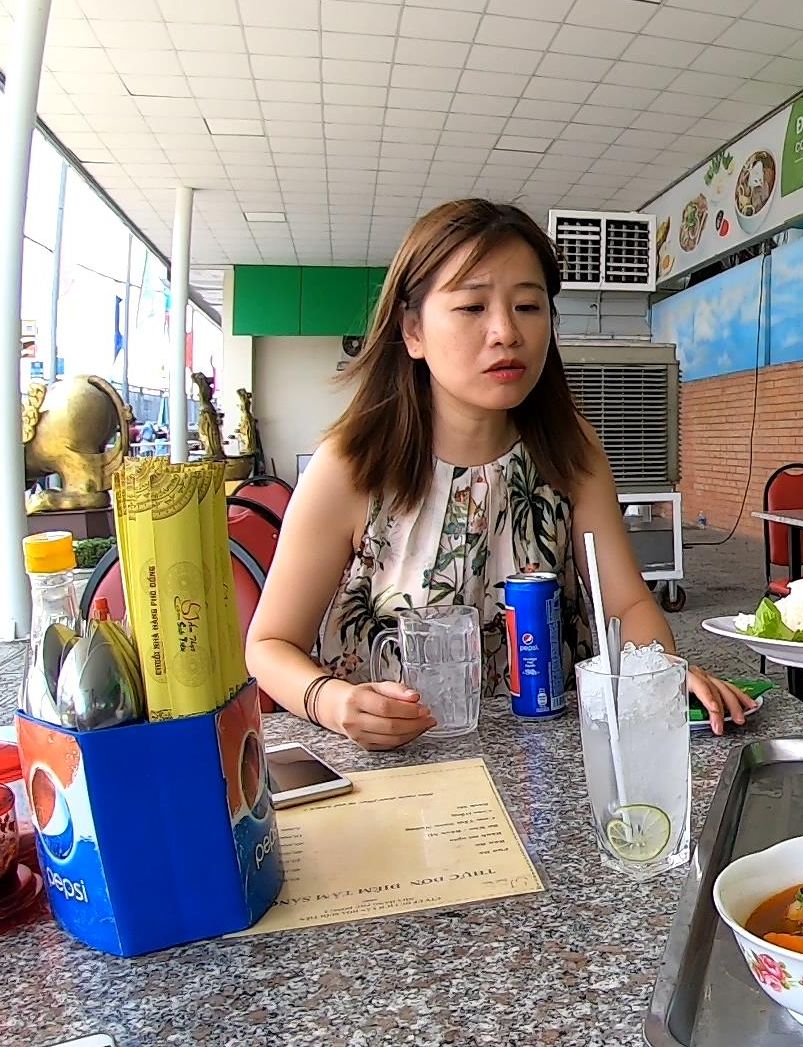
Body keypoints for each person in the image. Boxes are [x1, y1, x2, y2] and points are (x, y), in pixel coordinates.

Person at [246, 199, 755, 750]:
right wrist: (333, 701)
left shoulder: (570, 448)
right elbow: (270, 643)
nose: (506, 333)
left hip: (549, 758)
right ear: (412, 331)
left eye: (528, 307)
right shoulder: (351, 465)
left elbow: (628, 603)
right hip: (397, 763)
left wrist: (659, 673)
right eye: (471, 308)